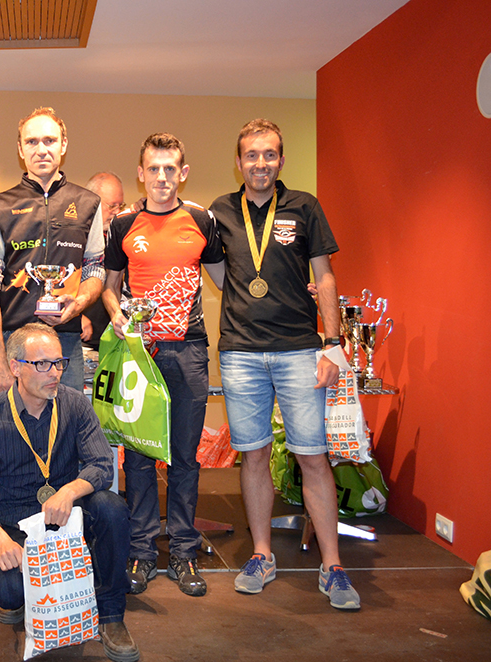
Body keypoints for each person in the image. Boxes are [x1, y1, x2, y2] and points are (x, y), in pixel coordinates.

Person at [209, 119, 359, 610]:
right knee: (253, 455)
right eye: (251, 155)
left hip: (298, 349)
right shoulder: (220, 211)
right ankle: (261, 554)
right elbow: (220, 274)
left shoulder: (304, 206)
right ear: (238, 161)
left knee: (312, 456)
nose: (260, 163)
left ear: (281, 160)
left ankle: (333, 564)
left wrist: (333, 343)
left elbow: (325, 275)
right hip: (240, 352)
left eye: (269, 154)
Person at [0, 323, 138, 662]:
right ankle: (24, 597)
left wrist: (69, 492)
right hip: (15, 526)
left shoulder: (75, 405)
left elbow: (102, 464)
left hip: (66, 517)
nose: (54, 373)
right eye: (42, 364)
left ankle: (111, 614)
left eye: (59, 362)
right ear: (15, 367)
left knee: (112, 507)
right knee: (8, 591)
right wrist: (1, 541)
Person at [102, 134, 224, 597]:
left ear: (183, 173)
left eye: (170, 168)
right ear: (141, 173)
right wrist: (116, 313)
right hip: (140, 353)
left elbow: (226, 280)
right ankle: (141, 552)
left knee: (185, 458)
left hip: (188, 351)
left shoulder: (201, 220)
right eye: (153, 168)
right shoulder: (123, 224)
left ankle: (184, 553)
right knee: (138, 455)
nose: (161, 177)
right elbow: (110, 286)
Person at [0, 107, 105, 395]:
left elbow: (95, 269)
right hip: (13, 342)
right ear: (20, 149)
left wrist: (79, 304)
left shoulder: (88, 203)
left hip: (65, 342)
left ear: (63, 145)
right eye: (32, 142)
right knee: (12, 425)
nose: (41, 149)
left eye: (50, 140)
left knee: (65, 422)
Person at [81, 171, 125, 351]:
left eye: (121, 205)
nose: (118, 212)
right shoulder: (73, 237)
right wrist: (75, 316)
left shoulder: (120, 237)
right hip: (81, 339)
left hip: (115, 338)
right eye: (112, 206)